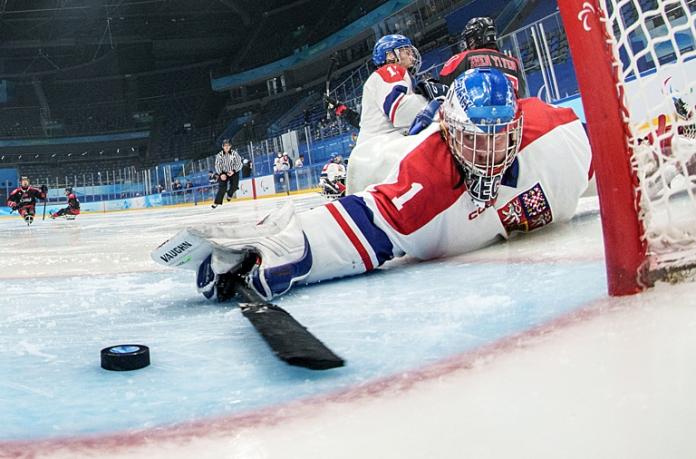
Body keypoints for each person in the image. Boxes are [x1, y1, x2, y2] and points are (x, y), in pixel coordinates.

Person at [152, 68, 592, 303]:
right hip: (380, 153)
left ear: (519, 128)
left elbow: (617, 149)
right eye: (474, 139)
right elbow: (366, 222)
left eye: (501, 138)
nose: (489, 154)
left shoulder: (560, 138)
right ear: (448, 129)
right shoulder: (428, 176)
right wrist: (288, 247)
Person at [344, 34, 447, 195]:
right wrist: (432, 99)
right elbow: (401, 113)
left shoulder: (391, 77)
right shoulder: (390, 70)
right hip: (378, 156)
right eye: (406, 51)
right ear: (391, 56)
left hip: (371, 158)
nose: (412, 56)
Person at [440, 17, 527, 96]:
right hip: (511, 111)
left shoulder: (463, 58)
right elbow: (522, 93)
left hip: (477, 111)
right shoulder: (513, 62)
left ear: (474, 39)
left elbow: (444, 88)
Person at [212, 139, 243, 209]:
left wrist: (233, 171)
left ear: (230, 146)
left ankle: (229, 194)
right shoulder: (219, 155)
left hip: (234, 171)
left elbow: (239, 164)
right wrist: (221, 174)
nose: (226, 147)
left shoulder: (235, 154)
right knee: (222, 188)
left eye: (228, 145)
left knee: (235, 186)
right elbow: (217, 165)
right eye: (225, 145)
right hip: (223, 172)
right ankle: (217, 202)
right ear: (222, 146)